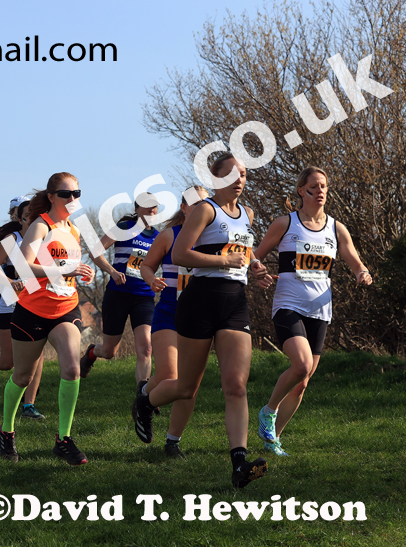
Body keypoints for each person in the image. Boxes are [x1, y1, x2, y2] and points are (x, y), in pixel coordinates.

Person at [134, 153, 274, 488]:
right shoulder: (205, 210)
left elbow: (243, 249)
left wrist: (254, 267)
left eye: (242, 173)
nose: (239, 178)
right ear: (216, 179)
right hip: (199, 300)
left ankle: (239, 463)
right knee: (186, 386)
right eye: (231, 173)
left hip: (235, 303)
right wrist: (224, 261)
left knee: (236, 385)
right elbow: (181, 254)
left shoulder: (247, 214)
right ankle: (145, 402)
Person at [253, 166, 372, 456]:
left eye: (324, 186)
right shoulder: (285, 223)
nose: (320, 191)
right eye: (314, 186)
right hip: (288, 305)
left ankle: (273, 440)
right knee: (302, 365)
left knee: (302, 382)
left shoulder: (336, 228)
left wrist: (362, 272)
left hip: (320, 310)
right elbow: (254, 256)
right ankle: (267, 412)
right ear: (301, 191)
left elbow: (354, 260)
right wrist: (258, 272)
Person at [0, 172, 94, 466]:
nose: (72, 199)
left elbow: (68, 267)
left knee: (72, 368)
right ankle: (6, 430)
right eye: (66, 194)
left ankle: (63, 439)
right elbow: (22, 267)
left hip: (66, 309)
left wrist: (82, 271)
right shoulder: (41, 225)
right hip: (33, 311)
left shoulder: (73, 230)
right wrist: (62, 272)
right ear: (51, 197)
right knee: (22, 376)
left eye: (77, 193)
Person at [139, 185, 209, 458]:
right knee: (170, 375)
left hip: (199, 316)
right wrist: (150, 278)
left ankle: (172, 442)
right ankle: (144, 397)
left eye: (206, 204)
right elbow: (146, 265)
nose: (201, 209)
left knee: (189, 385)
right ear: (184, 207)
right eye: (195, 204)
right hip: (169, 312)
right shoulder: (170, 235)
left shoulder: (212, 237)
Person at [80, 193, 160, 385]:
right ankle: (92, 352)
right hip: (119, 294)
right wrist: (113, 271)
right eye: (147, 206)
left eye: (154, 206)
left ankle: (143, 397)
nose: (151, 210)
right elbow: (95, 252)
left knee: (146, 348)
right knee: (109, 351)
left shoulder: (159, 236)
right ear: (136, 209)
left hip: (144, 297)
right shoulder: (125, 228)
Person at [0, 200, 47, 419]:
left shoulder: (44, 240)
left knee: (38, 355)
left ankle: (29, 406)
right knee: (8, 361)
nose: (32, 217)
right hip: (10, 301)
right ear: (20, 219)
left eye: (35, 213)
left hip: (36, 303)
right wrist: (9, 281)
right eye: (27, 214)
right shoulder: (12, 239)